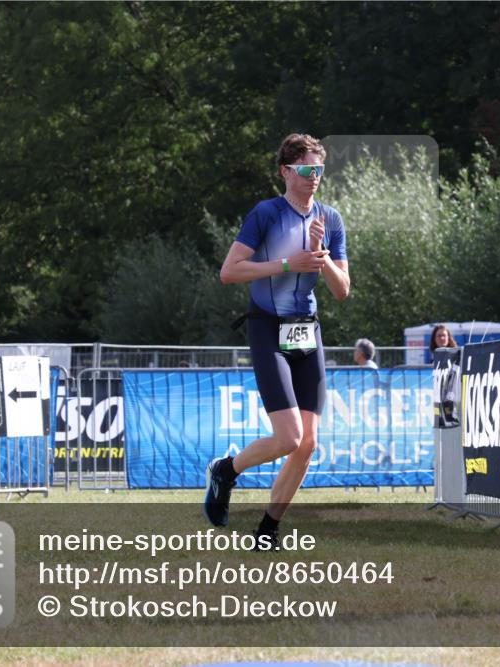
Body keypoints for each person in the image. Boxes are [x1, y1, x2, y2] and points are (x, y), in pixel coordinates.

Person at [209, 134, 350, 548]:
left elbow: (342, 290)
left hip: (308, 330)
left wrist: (320, 258)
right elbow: (229, 271)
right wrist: (289, 262)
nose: (314, 179)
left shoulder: (331, 219)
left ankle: (268, 530)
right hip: (268, 327)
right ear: (286, 172)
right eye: (307, 170)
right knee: (288, 437)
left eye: (320, 171)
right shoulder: (266, 213)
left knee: (307, 443)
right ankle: (227, 470)